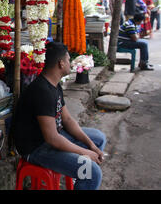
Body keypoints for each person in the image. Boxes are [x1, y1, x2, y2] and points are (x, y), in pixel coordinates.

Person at [11, 42, 107, 190]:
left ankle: (79, 181)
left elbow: (67, 119)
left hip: (53, 137)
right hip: (37, 149)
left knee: (98, 138)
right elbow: (52, 138)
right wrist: (86, 153)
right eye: (68, 60)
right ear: (61, 63)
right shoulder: (41, 91)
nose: (70, 63)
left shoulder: (54, 85)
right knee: (92, 173)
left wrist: (91, 146)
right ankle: (82, 177)